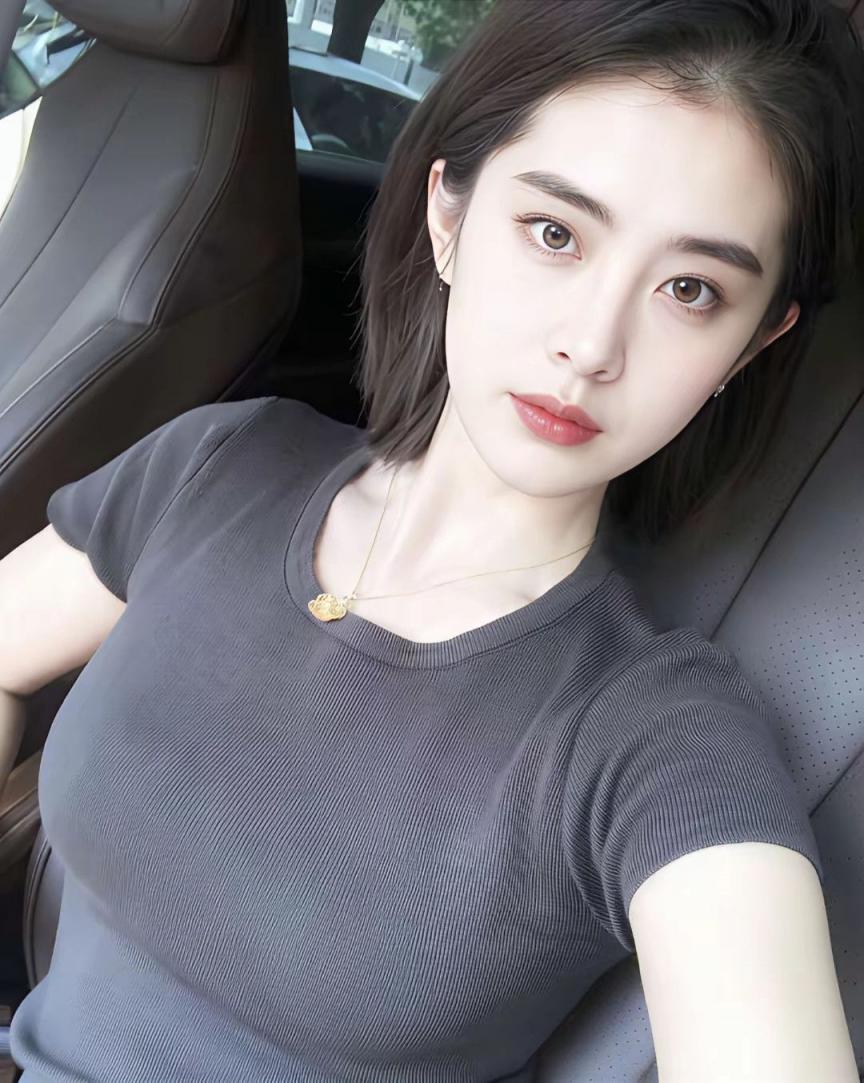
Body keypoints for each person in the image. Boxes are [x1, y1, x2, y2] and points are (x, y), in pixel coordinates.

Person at [1, 0, 862, 1079]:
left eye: (691, 290)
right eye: (556, 233)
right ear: (448, 216)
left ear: (753, 343)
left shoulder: (652, 737)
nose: (591, 344)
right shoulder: (218, 468)